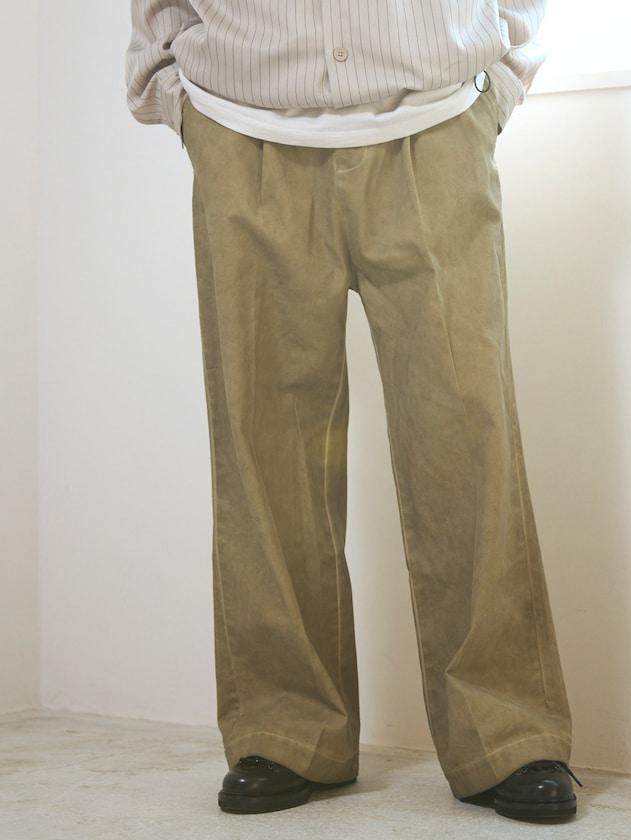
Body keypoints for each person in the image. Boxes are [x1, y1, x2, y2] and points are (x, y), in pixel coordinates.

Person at [125, 0, 583, 822]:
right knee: (263, 442)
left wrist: (501, 78)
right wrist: (176, 94)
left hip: (433, 117)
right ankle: (285, 729)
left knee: (468, 432)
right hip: (243, 126)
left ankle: (505, 733)